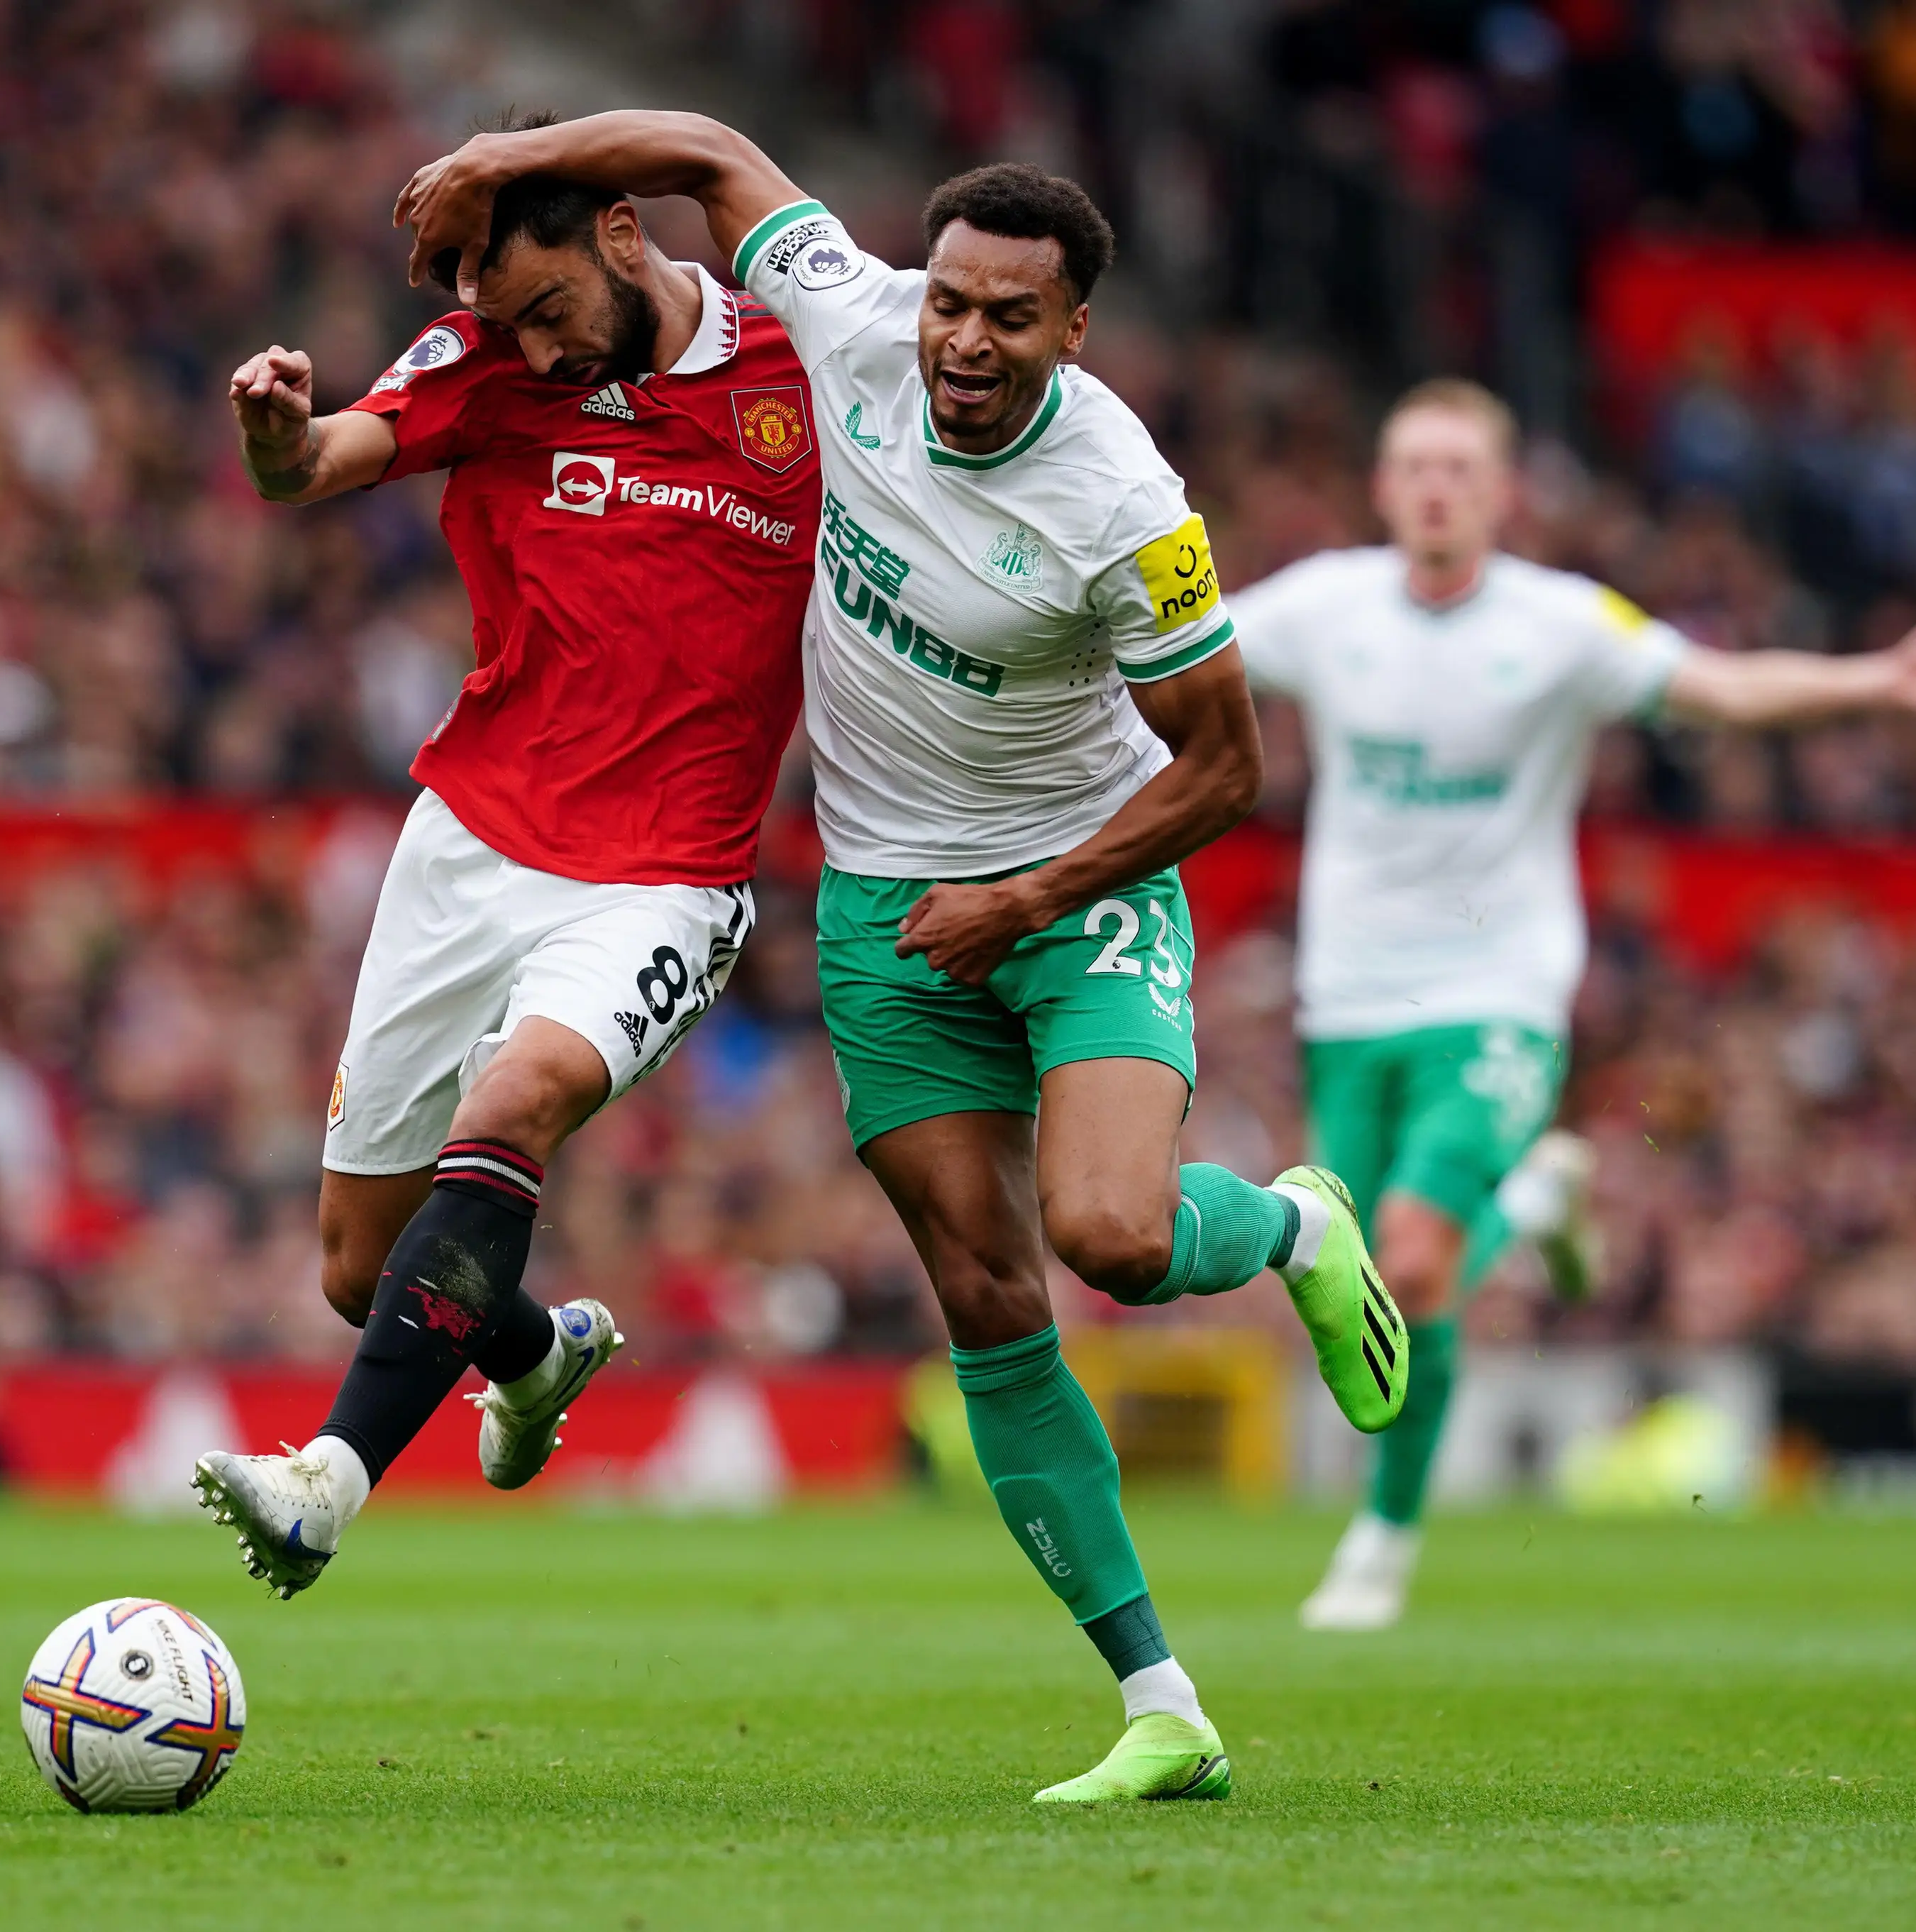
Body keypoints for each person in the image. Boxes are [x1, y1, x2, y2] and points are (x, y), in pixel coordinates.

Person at [399, 113, 1410, 1806]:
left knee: (1113, 1237)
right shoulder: (850, 317)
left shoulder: (1128, 506)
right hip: (884, 910)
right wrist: (517, 161)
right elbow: (709, 151)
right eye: (953, 301)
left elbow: (1226, 769)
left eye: (1011, 317)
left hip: (1072, 891)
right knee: (993, 1300)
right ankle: (1162, 1702)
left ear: (1074, 330)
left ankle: (1297, 1225)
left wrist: (1025, 902)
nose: (964, 340)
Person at [1228, 377, 1916, 1631]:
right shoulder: (1325, 608)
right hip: (1350, 996)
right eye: (1414, 466)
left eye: (1459, 469)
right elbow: (1170, 648)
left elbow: (1722, 687)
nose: (1435, 487)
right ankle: (1538, 1199)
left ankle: (1383, 1537)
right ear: (1383, 489)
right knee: (1362, 1285)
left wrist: (1878, 680)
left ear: (1500, 494)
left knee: (1418, 1263)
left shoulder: (1558, 624)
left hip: (1497, 990)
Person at [190, 166, 822, 1605]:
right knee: (368, 1267)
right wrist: (274, 436)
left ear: (619, 233)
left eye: (546, 311)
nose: (535, 350)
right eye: (508, 324)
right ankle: (539, 1357)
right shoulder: (481, 364)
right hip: (470, 845)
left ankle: (324, 1485)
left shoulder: (800, 368)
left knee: (514, 1102)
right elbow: (318, 465)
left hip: (664, 875)